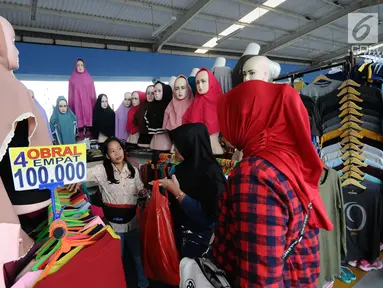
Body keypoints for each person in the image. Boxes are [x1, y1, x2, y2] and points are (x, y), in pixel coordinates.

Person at [213, 80, 333, 287]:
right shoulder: (289, 159)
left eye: (230, 116)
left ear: (245, 118)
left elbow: (261, 277)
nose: (224, 127)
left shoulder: (254, 175)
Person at [69, 137, 149, 288]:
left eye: (119, 148)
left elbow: (139, 189)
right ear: (107, 155)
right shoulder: (101, 171)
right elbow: (82, 174)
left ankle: (143, 282)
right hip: (114, 225)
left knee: (137, 256)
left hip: (132, 223)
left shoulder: (133, 169)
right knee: (116, 259)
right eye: (112, 151)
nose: (117, 153)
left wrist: (142, 192)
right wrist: (76, 179)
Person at [157, 123, 226, 258]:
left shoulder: (212, 175)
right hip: (177, 236)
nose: (173, 150)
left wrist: (178, 193)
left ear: (190, 145)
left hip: (202, 243)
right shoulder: (176, 170)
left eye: (177, 146)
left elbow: (209, 218)